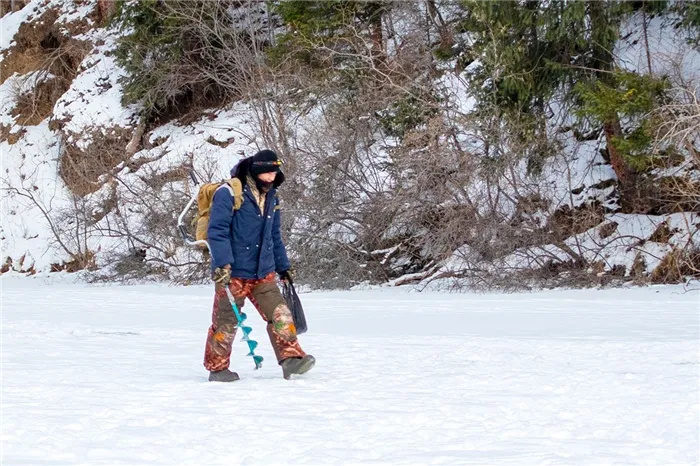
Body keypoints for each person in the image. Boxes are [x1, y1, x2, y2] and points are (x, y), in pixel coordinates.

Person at [203, 149, 315, 382]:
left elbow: (274, 235)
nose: (271, 178)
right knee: (226, 323)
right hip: (232, 272)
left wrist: (283, 266)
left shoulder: (272, 196)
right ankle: (218, 369)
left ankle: (291, 360)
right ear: (255, 173)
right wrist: (222, 264)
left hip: (263, 271)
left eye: (274, 173)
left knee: (281, 314)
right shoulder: (229, 193)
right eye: (266, 174)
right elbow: (217, 231)